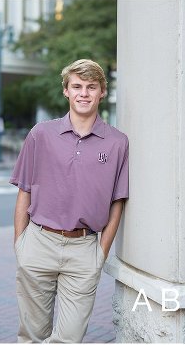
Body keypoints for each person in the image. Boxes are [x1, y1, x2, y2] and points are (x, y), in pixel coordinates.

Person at [10, 59, 129, 343]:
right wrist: (21, 244)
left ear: (102, 92)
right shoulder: (41, 134)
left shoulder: (117, 142)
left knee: (70, 338)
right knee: (32, 335)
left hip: (84, 249)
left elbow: (117, 201)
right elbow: (24, 190)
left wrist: (101, 252)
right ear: (66, 91)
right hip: (39, 244)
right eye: (77, 86)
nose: (84, 93)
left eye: (91, 87)